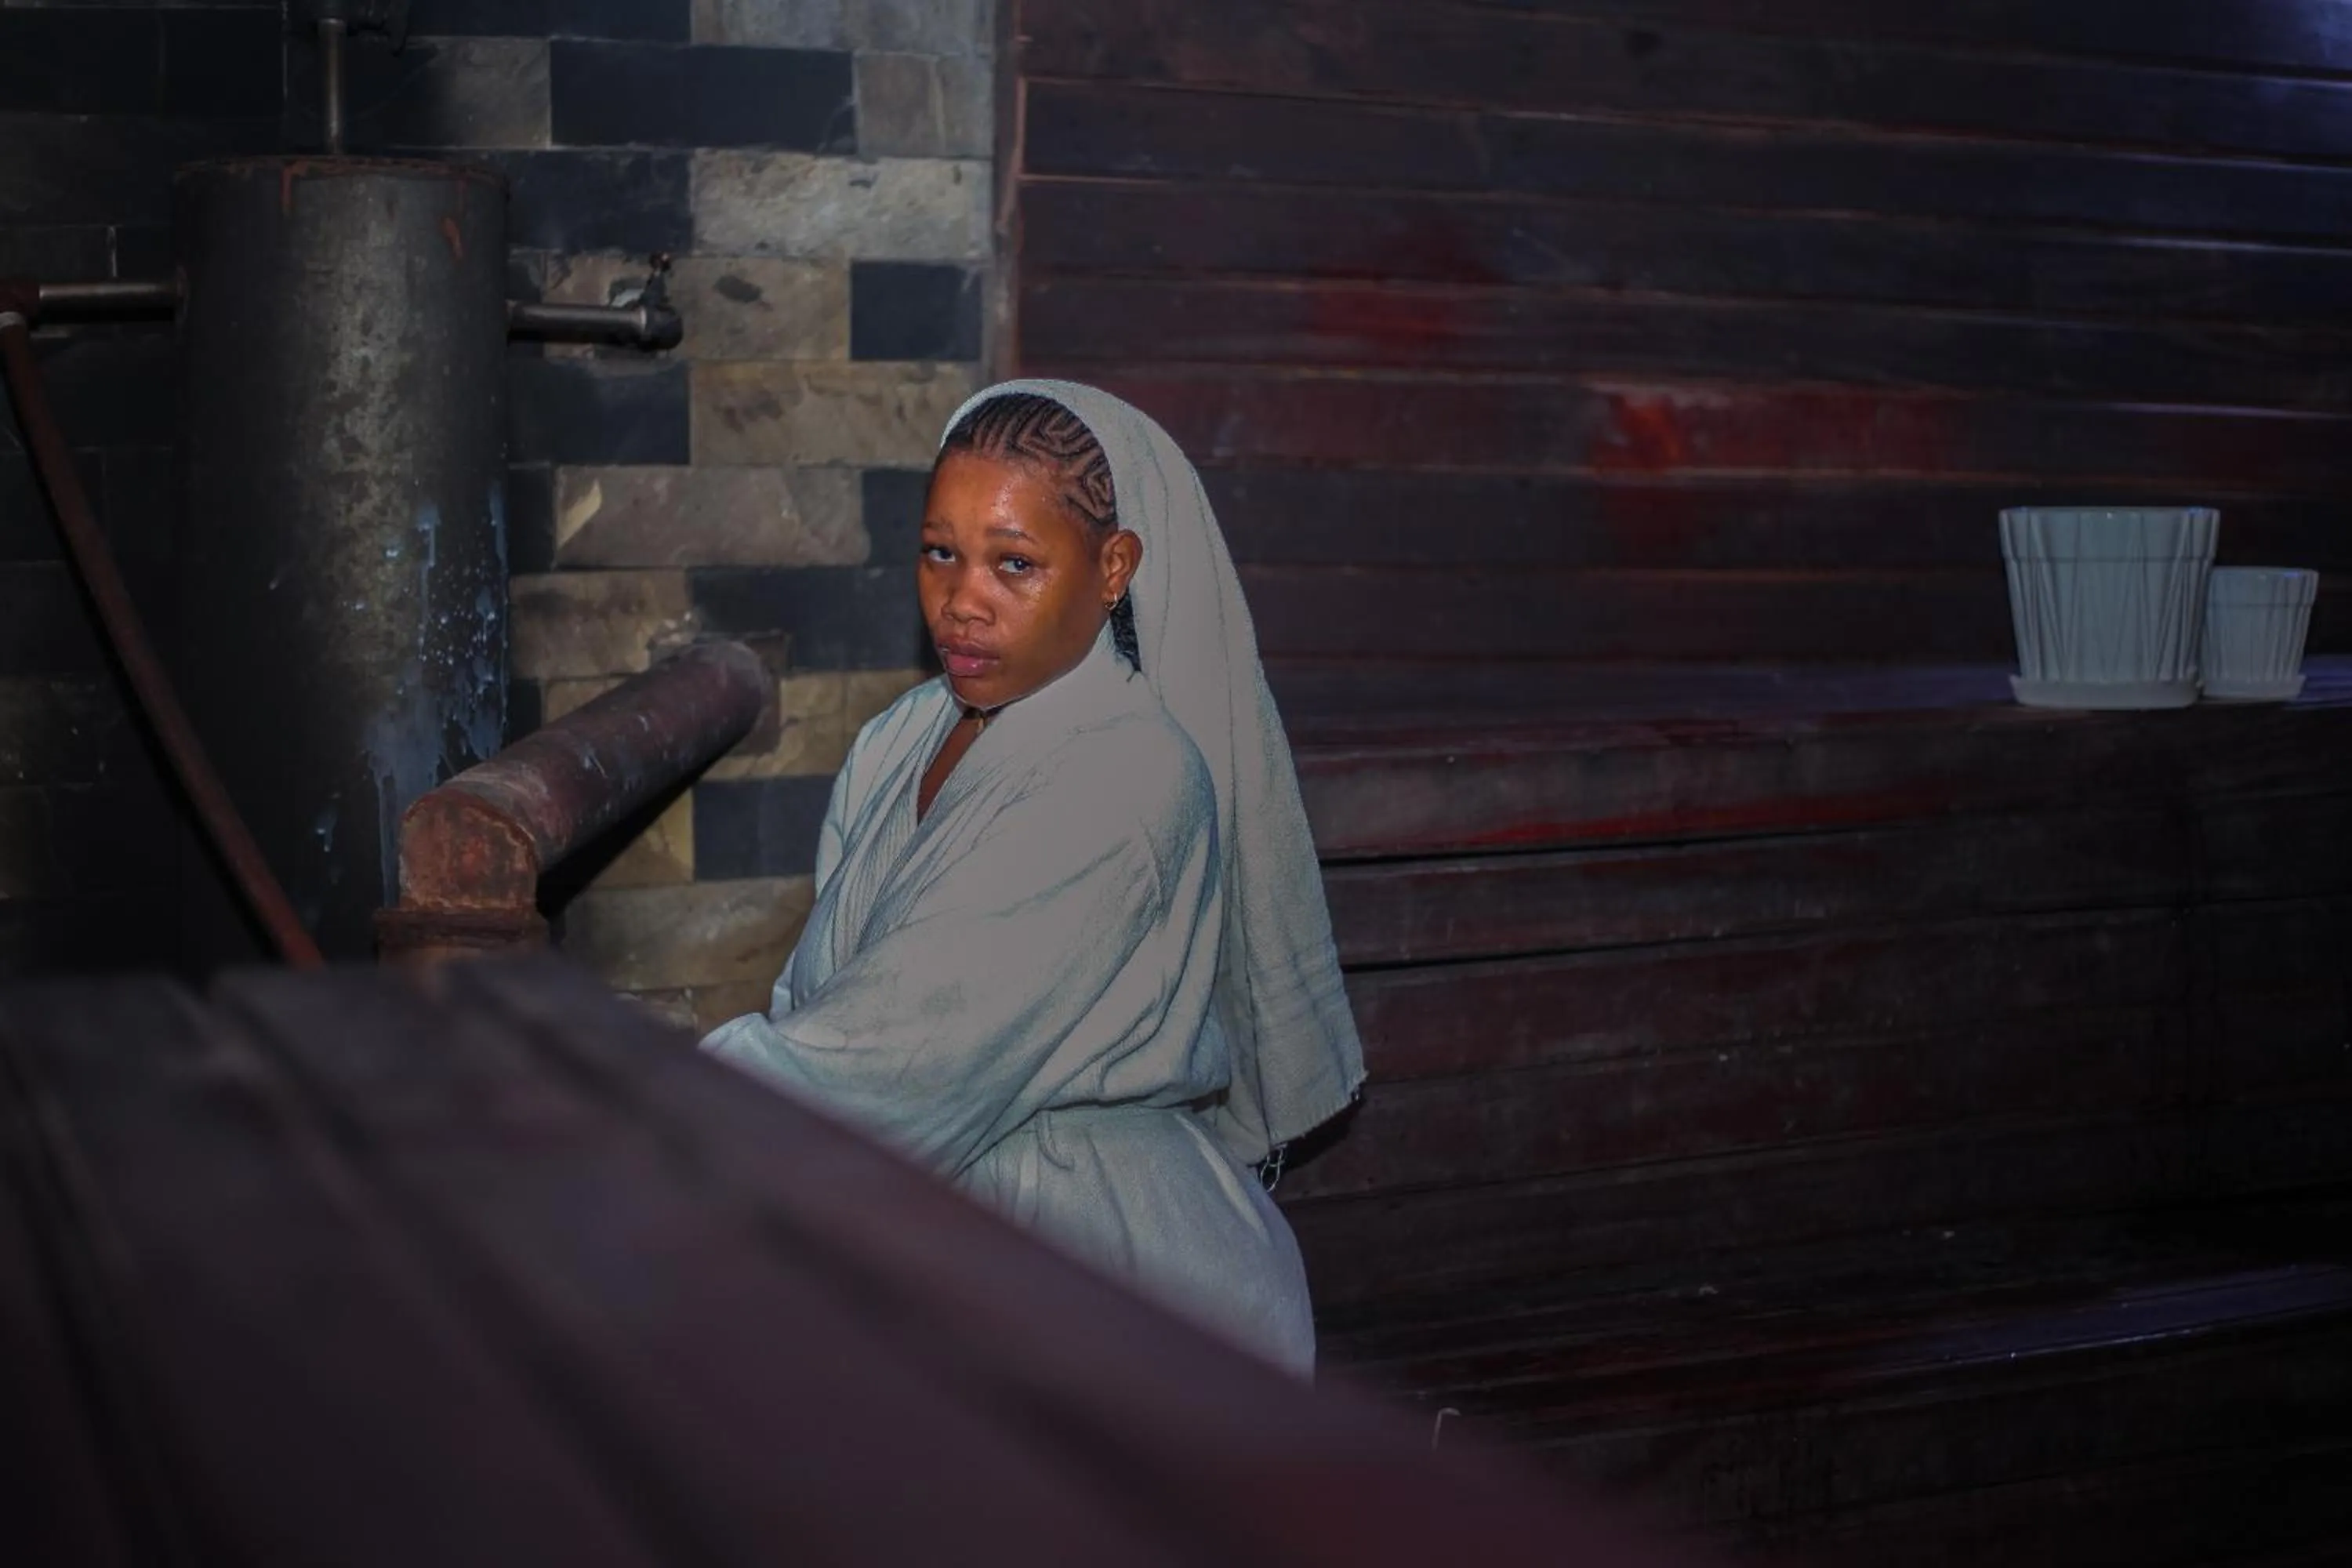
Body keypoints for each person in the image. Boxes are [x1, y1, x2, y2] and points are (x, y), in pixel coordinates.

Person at [700, 380, 1365, 1375]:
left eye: (1015, 563)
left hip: (1113, 1285)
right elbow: (824, 1014)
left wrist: (620, 1106)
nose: (964, 599)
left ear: (1112, 568)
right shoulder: (902, 739)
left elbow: (887, 1070)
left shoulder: (1123, 772)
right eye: (941, 552)